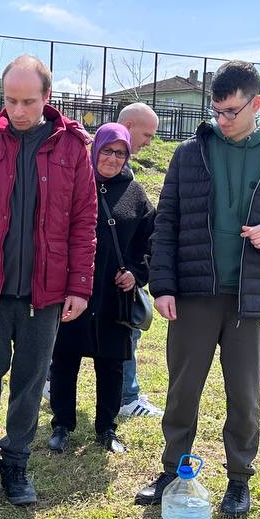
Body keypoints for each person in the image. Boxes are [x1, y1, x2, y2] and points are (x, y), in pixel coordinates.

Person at [137, 61, 260, 516]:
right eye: (217, 110)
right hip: (194, 293)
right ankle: (173, 469)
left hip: (249, 298)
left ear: (257, 103)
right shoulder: (189, 155)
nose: (222, 119)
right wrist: (163, 285)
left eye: (232, 111)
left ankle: (239, 478)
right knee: (182, 390)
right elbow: (167, 223)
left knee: (244, 395)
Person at [0, 55, 97, 510]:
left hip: (45, 294)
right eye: (10, 100)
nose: (19, 110)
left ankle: (15, 464)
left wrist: (80, 285)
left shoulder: (73, 148)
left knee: (30, 383)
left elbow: (84, 221)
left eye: (28, 101)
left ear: (48, 98)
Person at [47, 123, 154, 455]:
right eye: (106, 151)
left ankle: (107, 427)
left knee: (111, 364)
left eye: (119, 153)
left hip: (113, 295)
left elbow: (148, 243)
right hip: (74, 291)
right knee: (64, 358)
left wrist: (137, 273)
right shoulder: (75, 185)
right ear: (95, 151)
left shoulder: (136, 195)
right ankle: (62, 424)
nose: (112, 158)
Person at [115, 102, 164, 420]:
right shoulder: (107, 166)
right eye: (146, 134)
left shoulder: (126, 170)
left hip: (123, 271)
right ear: (129, 126)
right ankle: (127, 396)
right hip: (99, 271)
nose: (150, 141)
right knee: (126, 330)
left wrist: (136, 268)